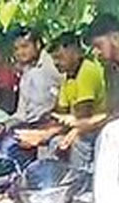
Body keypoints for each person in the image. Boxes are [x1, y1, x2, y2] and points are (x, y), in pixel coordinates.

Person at [29, 33, 108, 171]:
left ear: (75, 52)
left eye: (60, 57)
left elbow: (82, 116)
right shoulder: (68, 78)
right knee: (54, 142)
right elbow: (59, 112)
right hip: (78, 126)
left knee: (76, 142)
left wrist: (44, 135)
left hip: (95, 128)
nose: (56, 63)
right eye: (54, 59)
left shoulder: (87, 71)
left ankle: (81, 177)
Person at [10, 27, 64, 127]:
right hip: (28, 124)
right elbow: (21, 112)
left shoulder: (52, 64)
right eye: (16, 49)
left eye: (24, 46)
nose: (20, 52)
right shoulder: (26, 71)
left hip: (51, 124)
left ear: (38, 44)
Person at [89, 14, 119, 116]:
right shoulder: (109, 70)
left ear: (115, 38)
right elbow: (112, 111)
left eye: (98, 45)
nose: (95, 52)